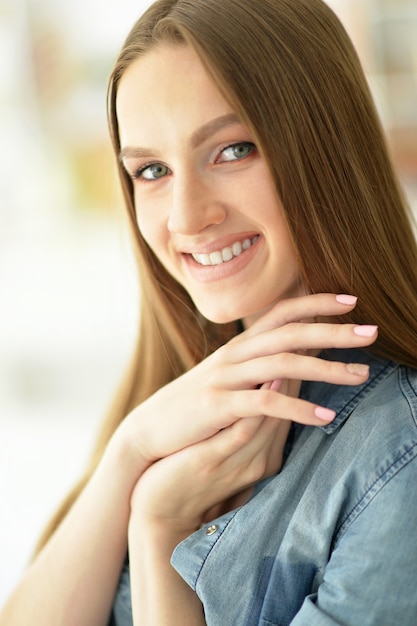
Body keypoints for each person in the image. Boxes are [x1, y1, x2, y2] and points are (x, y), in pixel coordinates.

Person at [2, 0, 417, 623]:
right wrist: (128, 453)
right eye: (152, 170)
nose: (187, 218)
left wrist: (159, 528)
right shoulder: (171, 403)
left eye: (232, 150)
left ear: (325, 145)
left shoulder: (397, 451)